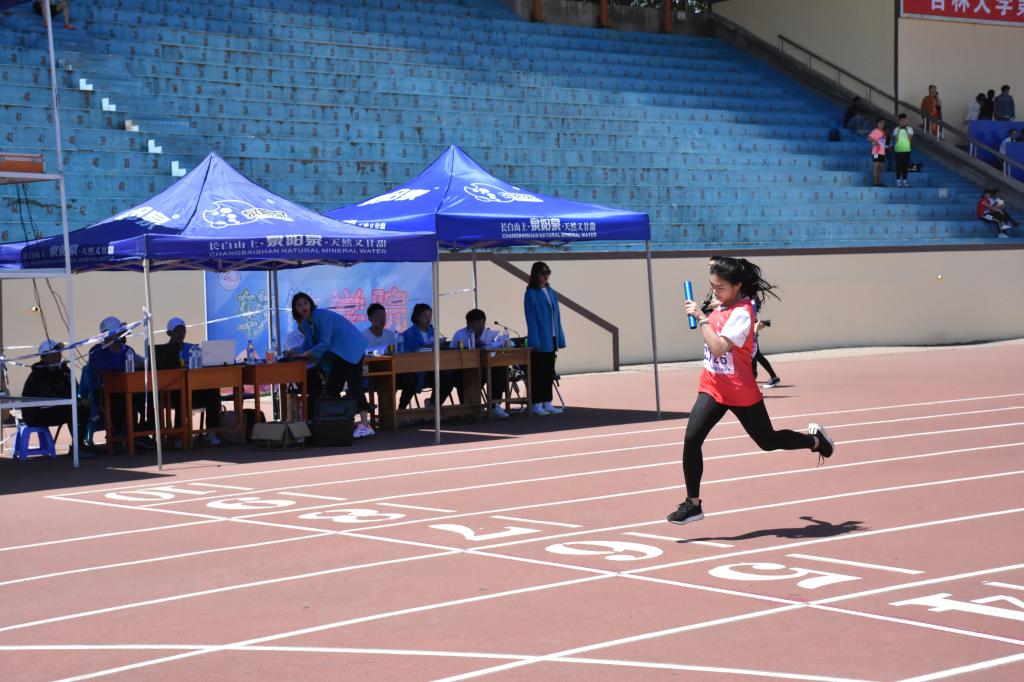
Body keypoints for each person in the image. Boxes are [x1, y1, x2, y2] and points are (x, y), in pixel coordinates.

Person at [667, 256, 835, 526]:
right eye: (712, 286)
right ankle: (693, 504)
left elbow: (719, 348)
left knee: (768, 441)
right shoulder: (722, 303)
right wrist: (714, 270)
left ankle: (815, 441)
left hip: (740, 391)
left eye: (720, 287)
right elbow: (717, 310)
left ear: (737, 286)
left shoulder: (743, 313)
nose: (715, 292)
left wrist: (701, 318)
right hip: (712, 386)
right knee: (692, 439)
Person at [285, 292, 374, 439]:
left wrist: (306, 354)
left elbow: (325, 342)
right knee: (333, 387)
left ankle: (365, 424)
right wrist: (294, 353)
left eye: (305, 303)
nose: (303, 307)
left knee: (354, 385)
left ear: (310, 304)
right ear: (296, 310)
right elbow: (308, 345)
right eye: (299, 305)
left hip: (351, 348)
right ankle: (337, 421)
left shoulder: (321, 315)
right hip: (338, 354)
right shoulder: (306, 323)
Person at [84, 316, 153, 451]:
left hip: (128, 389)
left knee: (149, 399)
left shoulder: (127, 349)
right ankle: (119, 439)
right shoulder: (96, 351)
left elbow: (141, 362)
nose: (122, 334)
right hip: (104, 393)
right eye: (118, 331)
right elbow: (104, 371)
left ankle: (141, 434)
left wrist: (147, 363)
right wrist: (124, 367)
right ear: (107, 334)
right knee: (123, 403)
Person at [21, 340, 94, 457]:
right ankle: (78, 448)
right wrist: (75, 400)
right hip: (36, 414)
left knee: (84, 408)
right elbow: (50, 396)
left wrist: (69, 377)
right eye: (53, 354)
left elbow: (74, 391)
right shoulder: (37, 375)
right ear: (44, 358)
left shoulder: (63, 370)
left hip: (54, 408)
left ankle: (79, 444)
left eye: (58, 353)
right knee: (72, 409)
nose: (58, 356)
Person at [155, 317, 221, 446]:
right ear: (169, 333)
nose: (181, 333)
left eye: (183, 330)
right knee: (181, 395)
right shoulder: (162, 351)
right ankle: (178, 436)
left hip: (193, 389)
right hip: (172, 392)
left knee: (213, 393)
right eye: (177, 330)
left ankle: (211, 433)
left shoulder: (193, 348)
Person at [451, 308, 510, 418]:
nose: (481, 326)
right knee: (467, 376)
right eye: (478, 323)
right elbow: (452, 354)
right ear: (469, 324)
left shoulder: (489, 334)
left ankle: (494, 405)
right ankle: (469, 407)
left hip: (484, 368)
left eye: (483, 322)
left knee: (501, 368)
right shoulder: (460, 334)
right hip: (465, 369)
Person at [524, 261, 566, 416]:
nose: (546, 275)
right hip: (540, 338)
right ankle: (536, 403)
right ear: (535, 274)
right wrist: (535, 340)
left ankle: (547, 401)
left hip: (552, 337)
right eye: (543, 273)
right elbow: (531, 319)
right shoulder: (530, 293)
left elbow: (557, 317)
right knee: (538, 373)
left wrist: (559, 336)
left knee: (548, 371)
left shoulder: (551, 292)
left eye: (548, 272)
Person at [397, 303, 454, 411]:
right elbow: (406, 353)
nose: (428, 319)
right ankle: (401, 410)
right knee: (411, 380)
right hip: (415, 370)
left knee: (447, 380)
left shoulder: (432, 331)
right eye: (425, 316)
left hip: (431, 368)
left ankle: (432, 404)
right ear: (417, 317)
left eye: (430, 316)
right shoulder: (408, 334)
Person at [892, 113, 914, 188]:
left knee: (905, 167)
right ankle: (898, 181)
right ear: (899, 121)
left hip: (907, 151)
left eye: (904, 120)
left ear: (906, 121)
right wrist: (899, 130)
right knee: (899, 166)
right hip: (898, 151)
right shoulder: (896, 129)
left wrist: (906, 130)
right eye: (901, 120)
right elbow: (896, 140)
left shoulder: (910, 129)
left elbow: (909, 139)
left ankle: (905, 181)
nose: (903, 122)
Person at [868, 119, 887, 187]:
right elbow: (869, 138)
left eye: (883, 123)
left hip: (882, 152)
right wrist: (875, 142)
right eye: (880, 123)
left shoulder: (884, 132)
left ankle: (878, 182)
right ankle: (875, 183)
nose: (882, 124)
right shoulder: (875, 131)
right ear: (877, 124)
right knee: (876, 166)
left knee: (880, 167)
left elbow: (882, 143)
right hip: (876, 152)